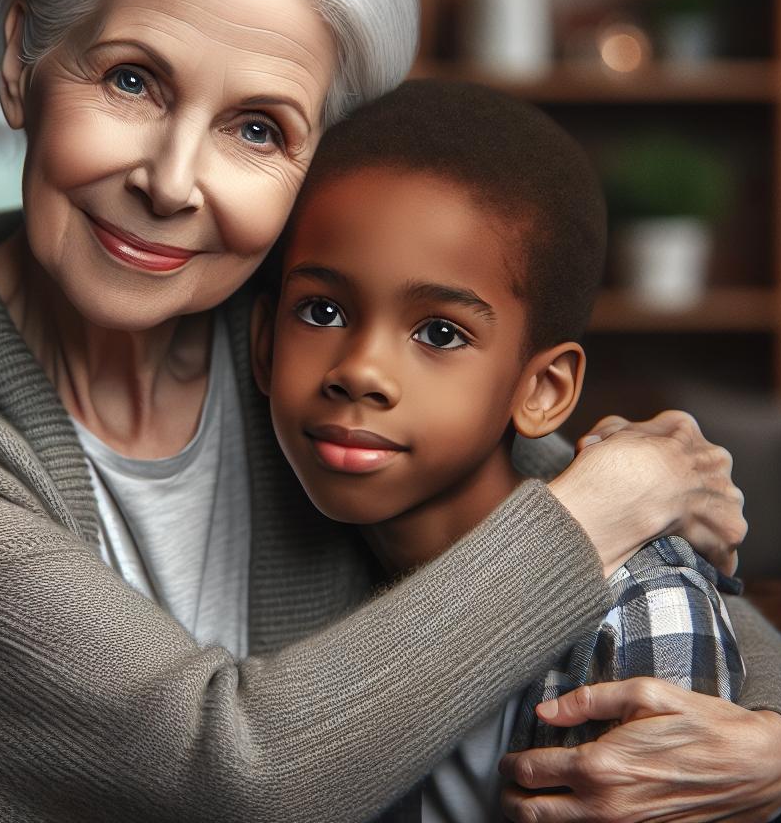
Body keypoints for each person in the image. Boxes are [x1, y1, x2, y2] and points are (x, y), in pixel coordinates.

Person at [0, 0, 781, 823]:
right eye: (133, 79)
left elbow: (628, 570)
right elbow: (224, 777)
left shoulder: (301, 335)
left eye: (257, 128)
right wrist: (608, 497)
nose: (173, 181)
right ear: (21, 61)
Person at [250, 79, 747, 821]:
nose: (360, 370)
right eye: (322, 311)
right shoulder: (301, 564)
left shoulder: (640, 611)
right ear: (261, 344)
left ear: (543, 389)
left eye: (440, 333)